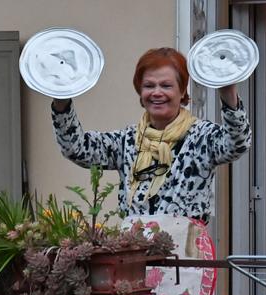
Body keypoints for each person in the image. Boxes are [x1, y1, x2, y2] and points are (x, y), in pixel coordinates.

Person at [51, 47, 251, 223]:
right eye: (149, 86)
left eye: (166, 85)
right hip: (134, 252)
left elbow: (238, 144)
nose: (156, 92)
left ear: (182, 91)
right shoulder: (127, 140)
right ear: (140, 91)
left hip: (185, 256)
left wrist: (229, 96)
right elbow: (76, 149)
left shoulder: (202, 137)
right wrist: (62, 101)